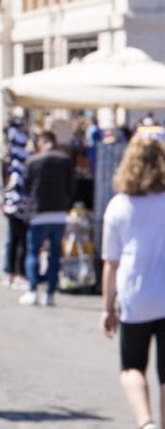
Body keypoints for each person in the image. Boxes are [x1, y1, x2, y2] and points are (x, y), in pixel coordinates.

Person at [101, 137, 165, 429]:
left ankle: (145, 421)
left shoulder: (118, 205)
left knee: (131, 366)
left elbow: (111, 263)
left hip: (135, 294)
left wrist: (106, 308)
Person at [19, 130, 75, 307]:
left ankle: (33, 290)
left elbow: (26, 188)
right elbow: (72, 186)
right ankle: (50, 293)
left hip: (38, 213)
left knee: (33, 252)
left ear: (41, 143)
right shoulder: (65, 160)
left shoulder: (32, 161)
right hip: (59, 213)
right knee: (55, 254)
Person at [1, 116, 30, 289]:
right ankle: (17, 273)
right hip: (19, 203)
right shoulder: (20, 159)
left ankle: (11, 272)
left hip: (12, 202)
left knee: (13, 239)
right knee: (20, 239)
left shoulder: (9, 158)